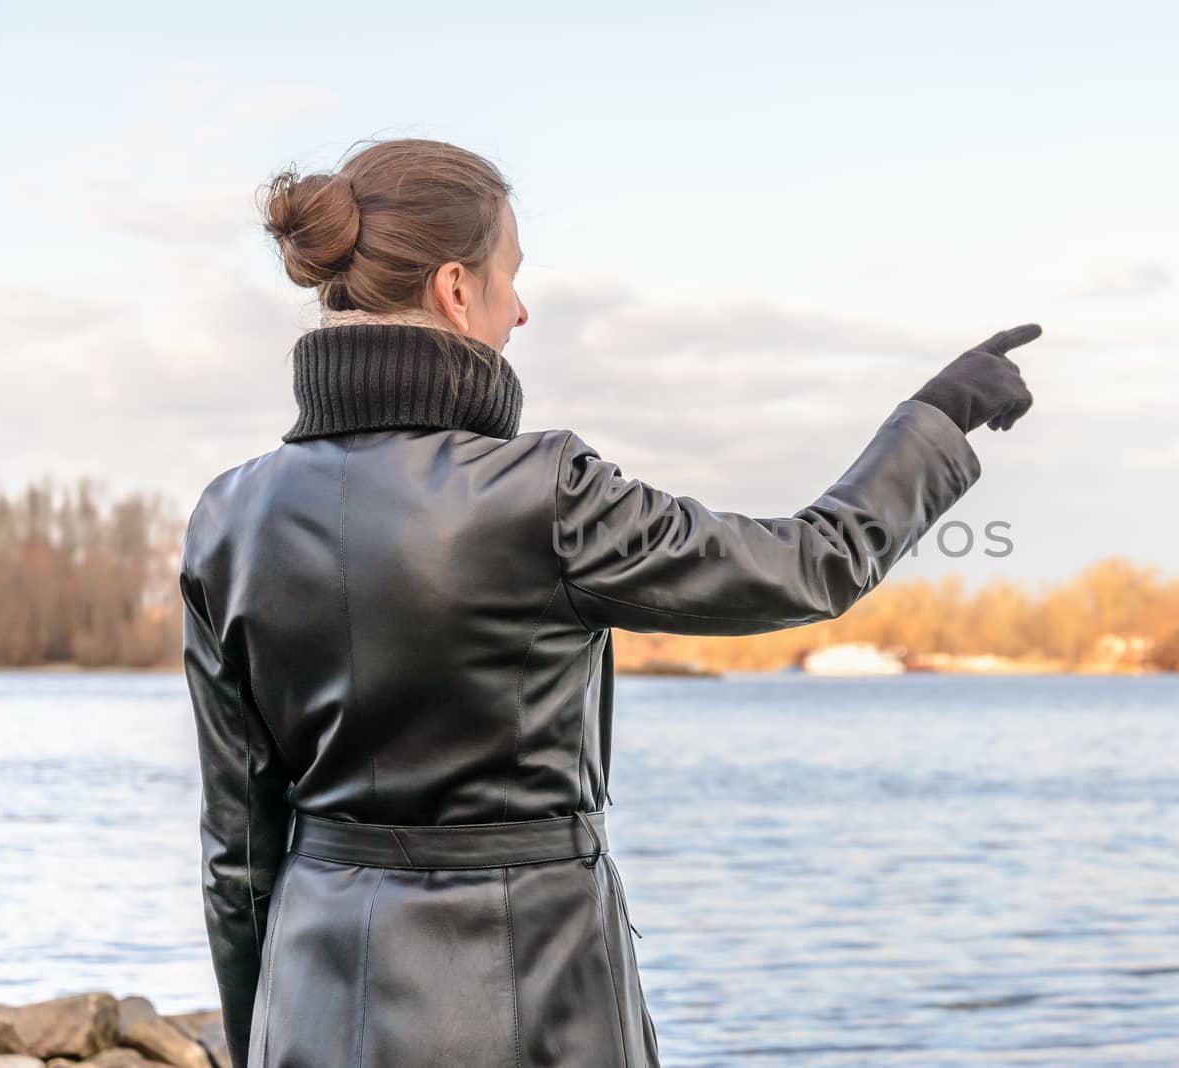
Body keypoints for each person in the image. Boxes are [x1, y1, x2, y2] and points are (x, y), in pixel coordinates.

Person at [178, 136, 1041, 1068]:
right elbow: (809, 565)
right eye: (513, 277)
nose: (522, 309)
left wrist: (257, 1033)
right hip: (532, 991)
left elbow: (240, 850)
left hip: (312, 996)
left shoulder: (228, 516)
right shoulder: (543, 493)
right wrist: (937, 418)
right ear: (456, 289)